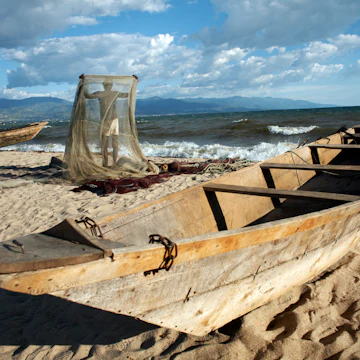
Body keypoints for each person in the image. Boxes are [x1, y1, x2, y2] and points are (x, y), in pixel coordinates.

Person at [79, 74, 135, 167]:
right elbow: (127, 95)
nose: (108, 86)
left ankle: (108, 164)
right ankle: (112, 164)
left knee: (106, 144)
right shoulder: (113, 93)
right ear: (109, 86)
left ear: (104, 85)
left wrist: (84, 83)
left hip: (109, 121)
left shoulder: (102, 93)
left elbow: (87, 95)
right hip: (113, 120)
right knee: (112, 143)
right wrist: (133, 84)